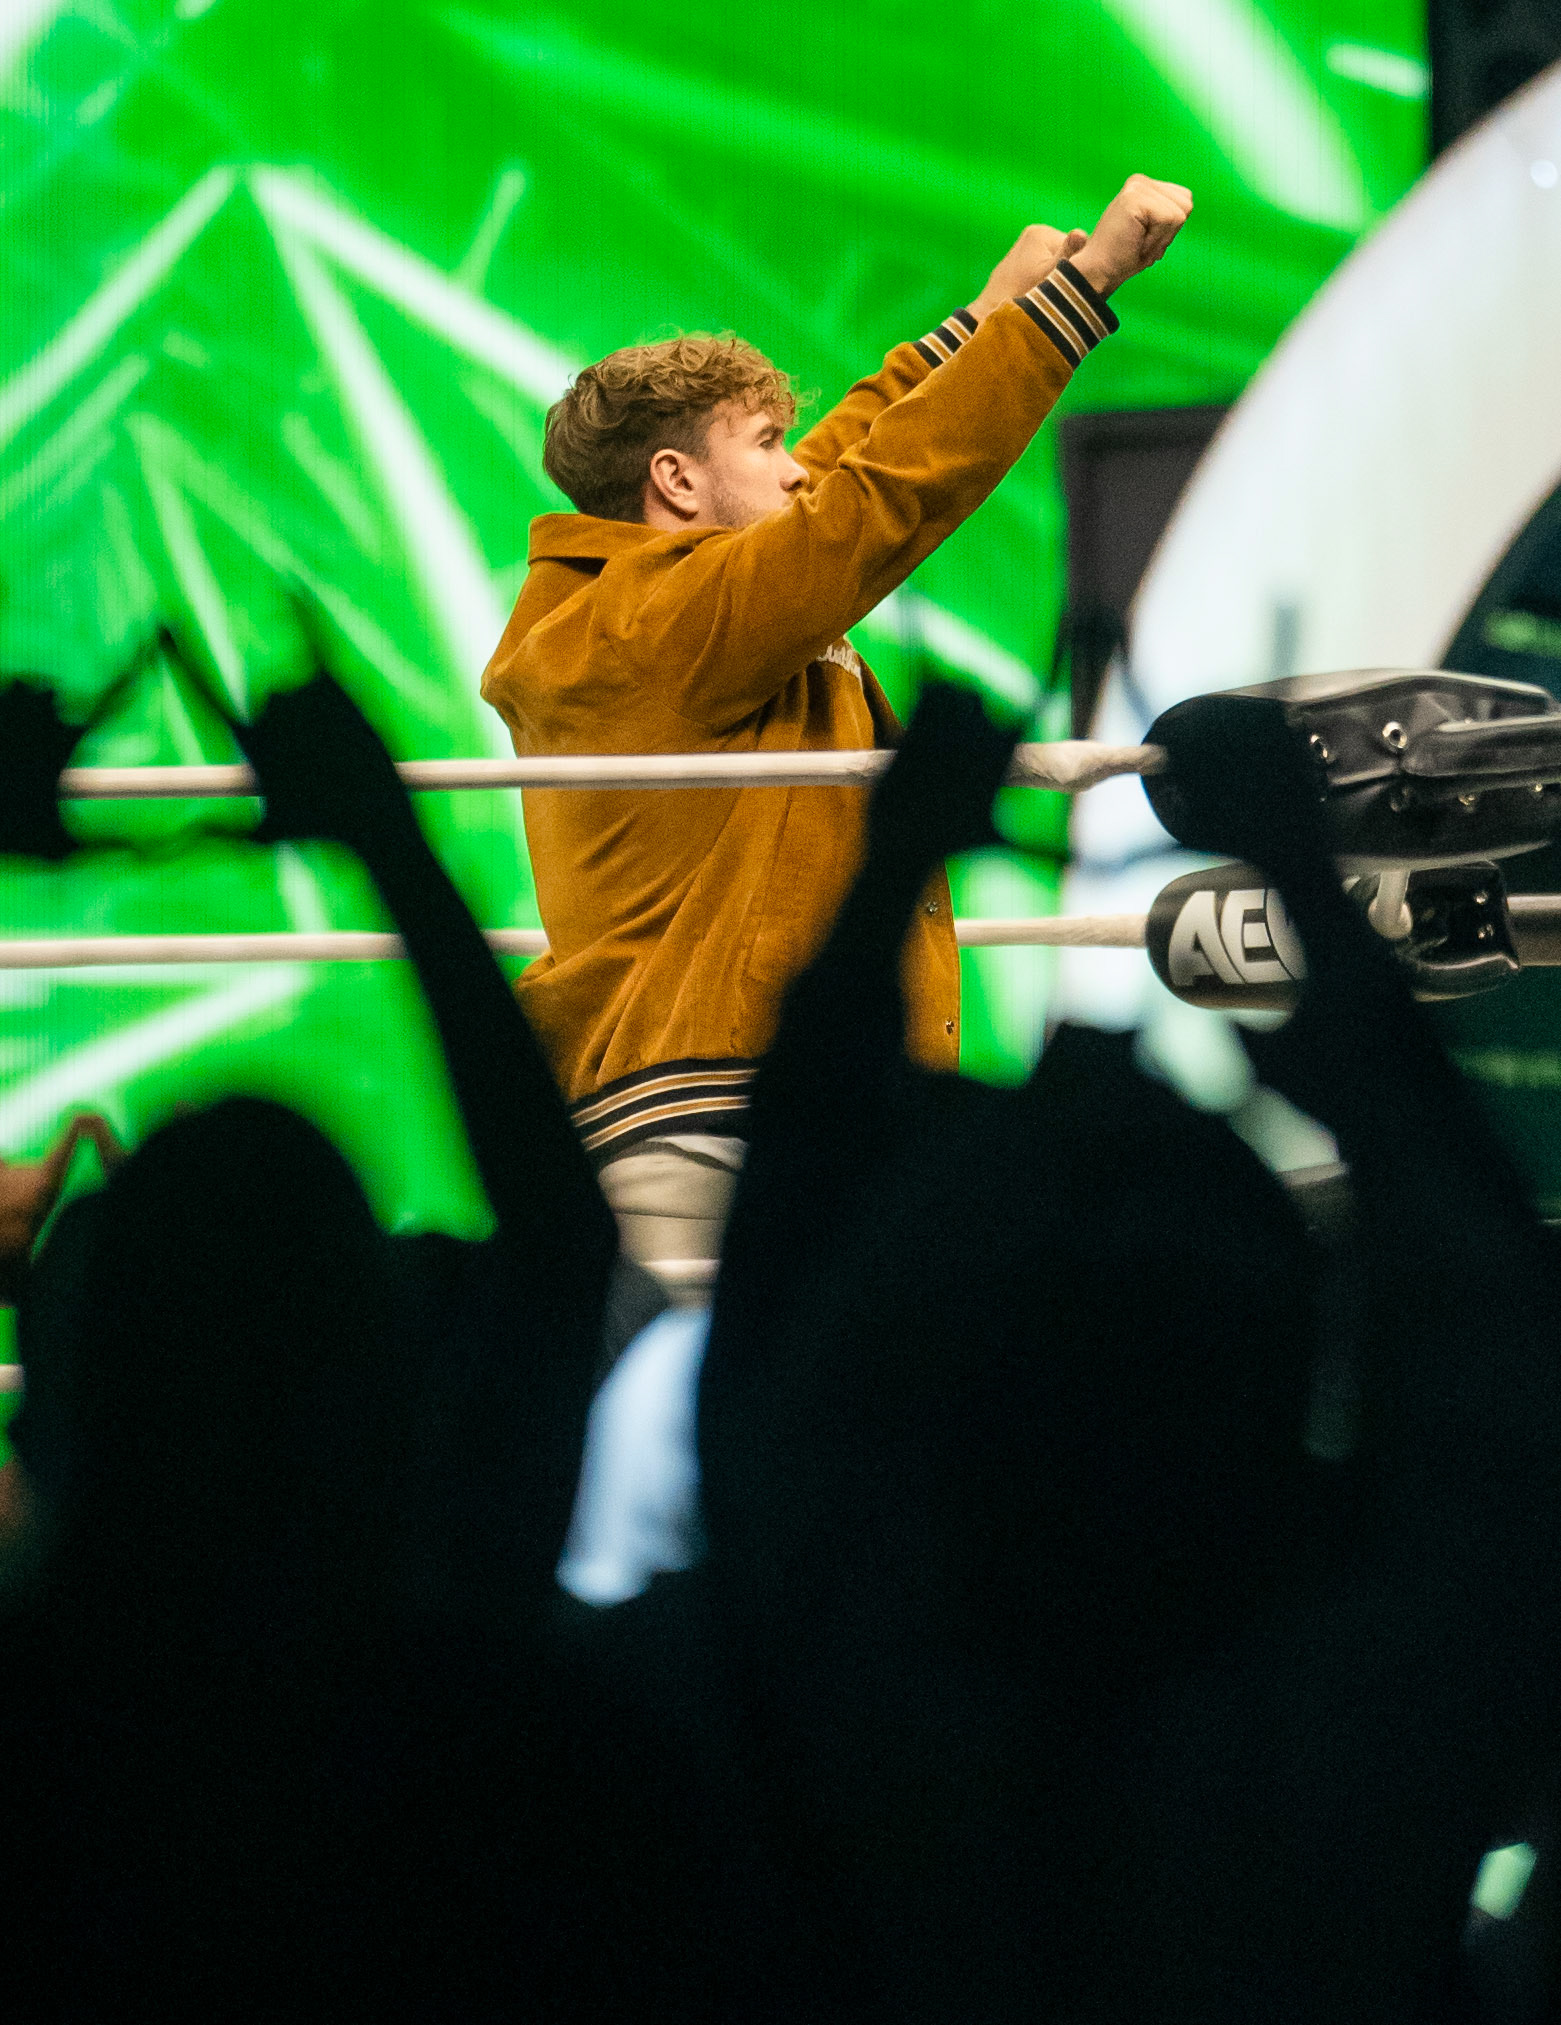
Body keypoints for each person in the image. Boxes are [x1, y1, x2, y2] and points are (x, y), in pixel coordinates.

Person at [481, 175, 1192, 1272]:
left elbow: (849, 463)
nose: (796, 463)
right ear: (676, 481)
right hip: (717, 1128)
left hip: (738, 1110)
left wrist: (986, 317)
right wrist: (1081, 290)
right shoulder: (658, 622)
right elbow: (871, 499)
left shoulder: (673, 605)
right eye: (768, 442)